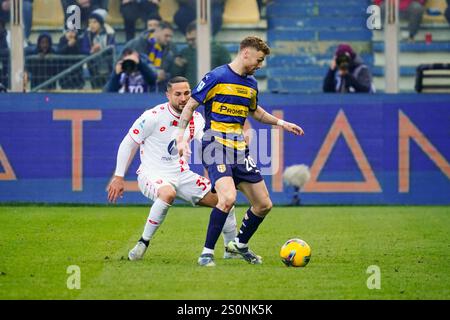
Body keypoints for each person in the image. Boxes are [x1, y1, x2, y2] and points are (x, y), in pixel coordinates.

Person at [176, 36, 305, 266]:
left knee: (264, 204)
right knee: (227, 198)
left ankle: (240, 244)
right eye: (259, 59)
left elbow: (255, 112)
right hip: (214, 145)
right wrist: (181, 138)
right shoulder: (216, 77)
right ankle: (206, 253)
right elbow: (191, 105)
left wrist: (282, 124)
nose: (260, 65)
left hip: (239, 150)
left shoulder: (251, 84)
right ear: (246, 53)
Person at [107, 76, 240, 261]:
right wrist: (119, 176)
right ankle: (142, 243)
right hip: (152, 173)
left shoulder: (196, 118)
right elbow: (128, 143)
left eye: (187, 93)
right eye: (177, 94)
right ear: (167, 95)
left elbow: (208, 144)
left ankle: (231, 249)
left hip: (182, 174)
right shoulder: (153, 116)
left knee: (226, 198)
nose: (183, 98)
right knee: (167, 193)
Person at [171, 21, 231, 88]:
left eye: (193, 39)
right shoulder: (184, 52)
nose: (190, 42)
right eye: (188, 40)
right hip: (192, 94)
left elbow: (228, 75)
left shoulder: (220, 50)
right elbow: (176, 78)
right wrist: (177, 66)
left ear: (203, 35)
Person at [122, 20, 177, 92]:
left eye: (170, 37)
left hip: (157, 90)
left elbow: (169, 73)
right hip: (134, 88)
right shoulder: (136, 44)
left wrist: (164, 75)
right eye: (166, 35)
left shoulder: (170, 51)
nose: (169, 39)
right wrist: (154, 73)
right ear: (157, 31)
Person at [81, 11, 115, 89]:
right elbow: (83, 48)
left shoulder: (110, 33)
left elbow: (112, 48)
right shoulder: (87, 33)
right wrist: (91, 51)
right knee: (95, 87)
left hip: (107, 65)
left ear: (100, 23)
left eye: (94, 22)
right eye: (89, 22)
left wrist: (102, 49)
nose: (91, 25)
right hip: (93, 66)